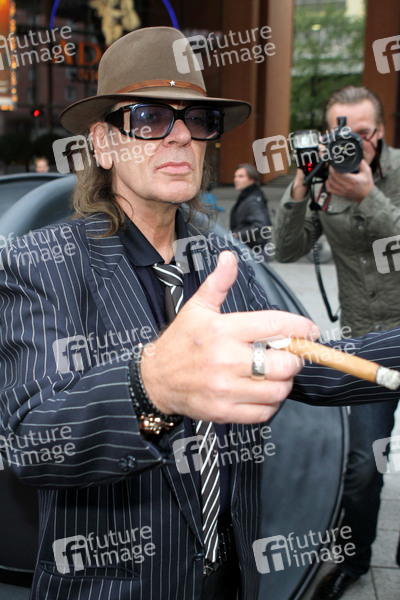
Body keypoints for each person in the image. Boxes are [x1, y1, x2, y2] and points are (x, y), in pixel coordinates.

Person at [0, 30, 400, 600]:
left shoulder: (221, 258)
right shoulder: (41, 263)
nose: (182, 135)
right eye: (149, 118)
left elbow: (305, 365)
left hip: (232, 580)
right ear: (104, 144)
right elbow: (31, 441)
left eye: (198, 120)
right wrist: (151, 386)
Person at [273, 85, 400, 600]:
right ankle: (354, 560)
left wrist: (369, 196)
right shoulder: (322, 180)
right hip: (365, 342)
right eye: (339, 133)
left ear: (380, 133)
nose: (351, 143)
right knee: (363, 466)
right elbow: (286, 249)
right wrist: (300, 185)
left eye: (361, 133)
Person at [230, 163, 272, 254]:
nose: (236, 179)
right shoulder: (248, 196)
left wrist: (236, 235)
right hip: (251, 249)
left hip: (253, 251)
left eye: (241, 176)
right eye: (235, 176)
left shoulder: (253, 200)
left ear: (251, 180)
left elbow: (260, 226)